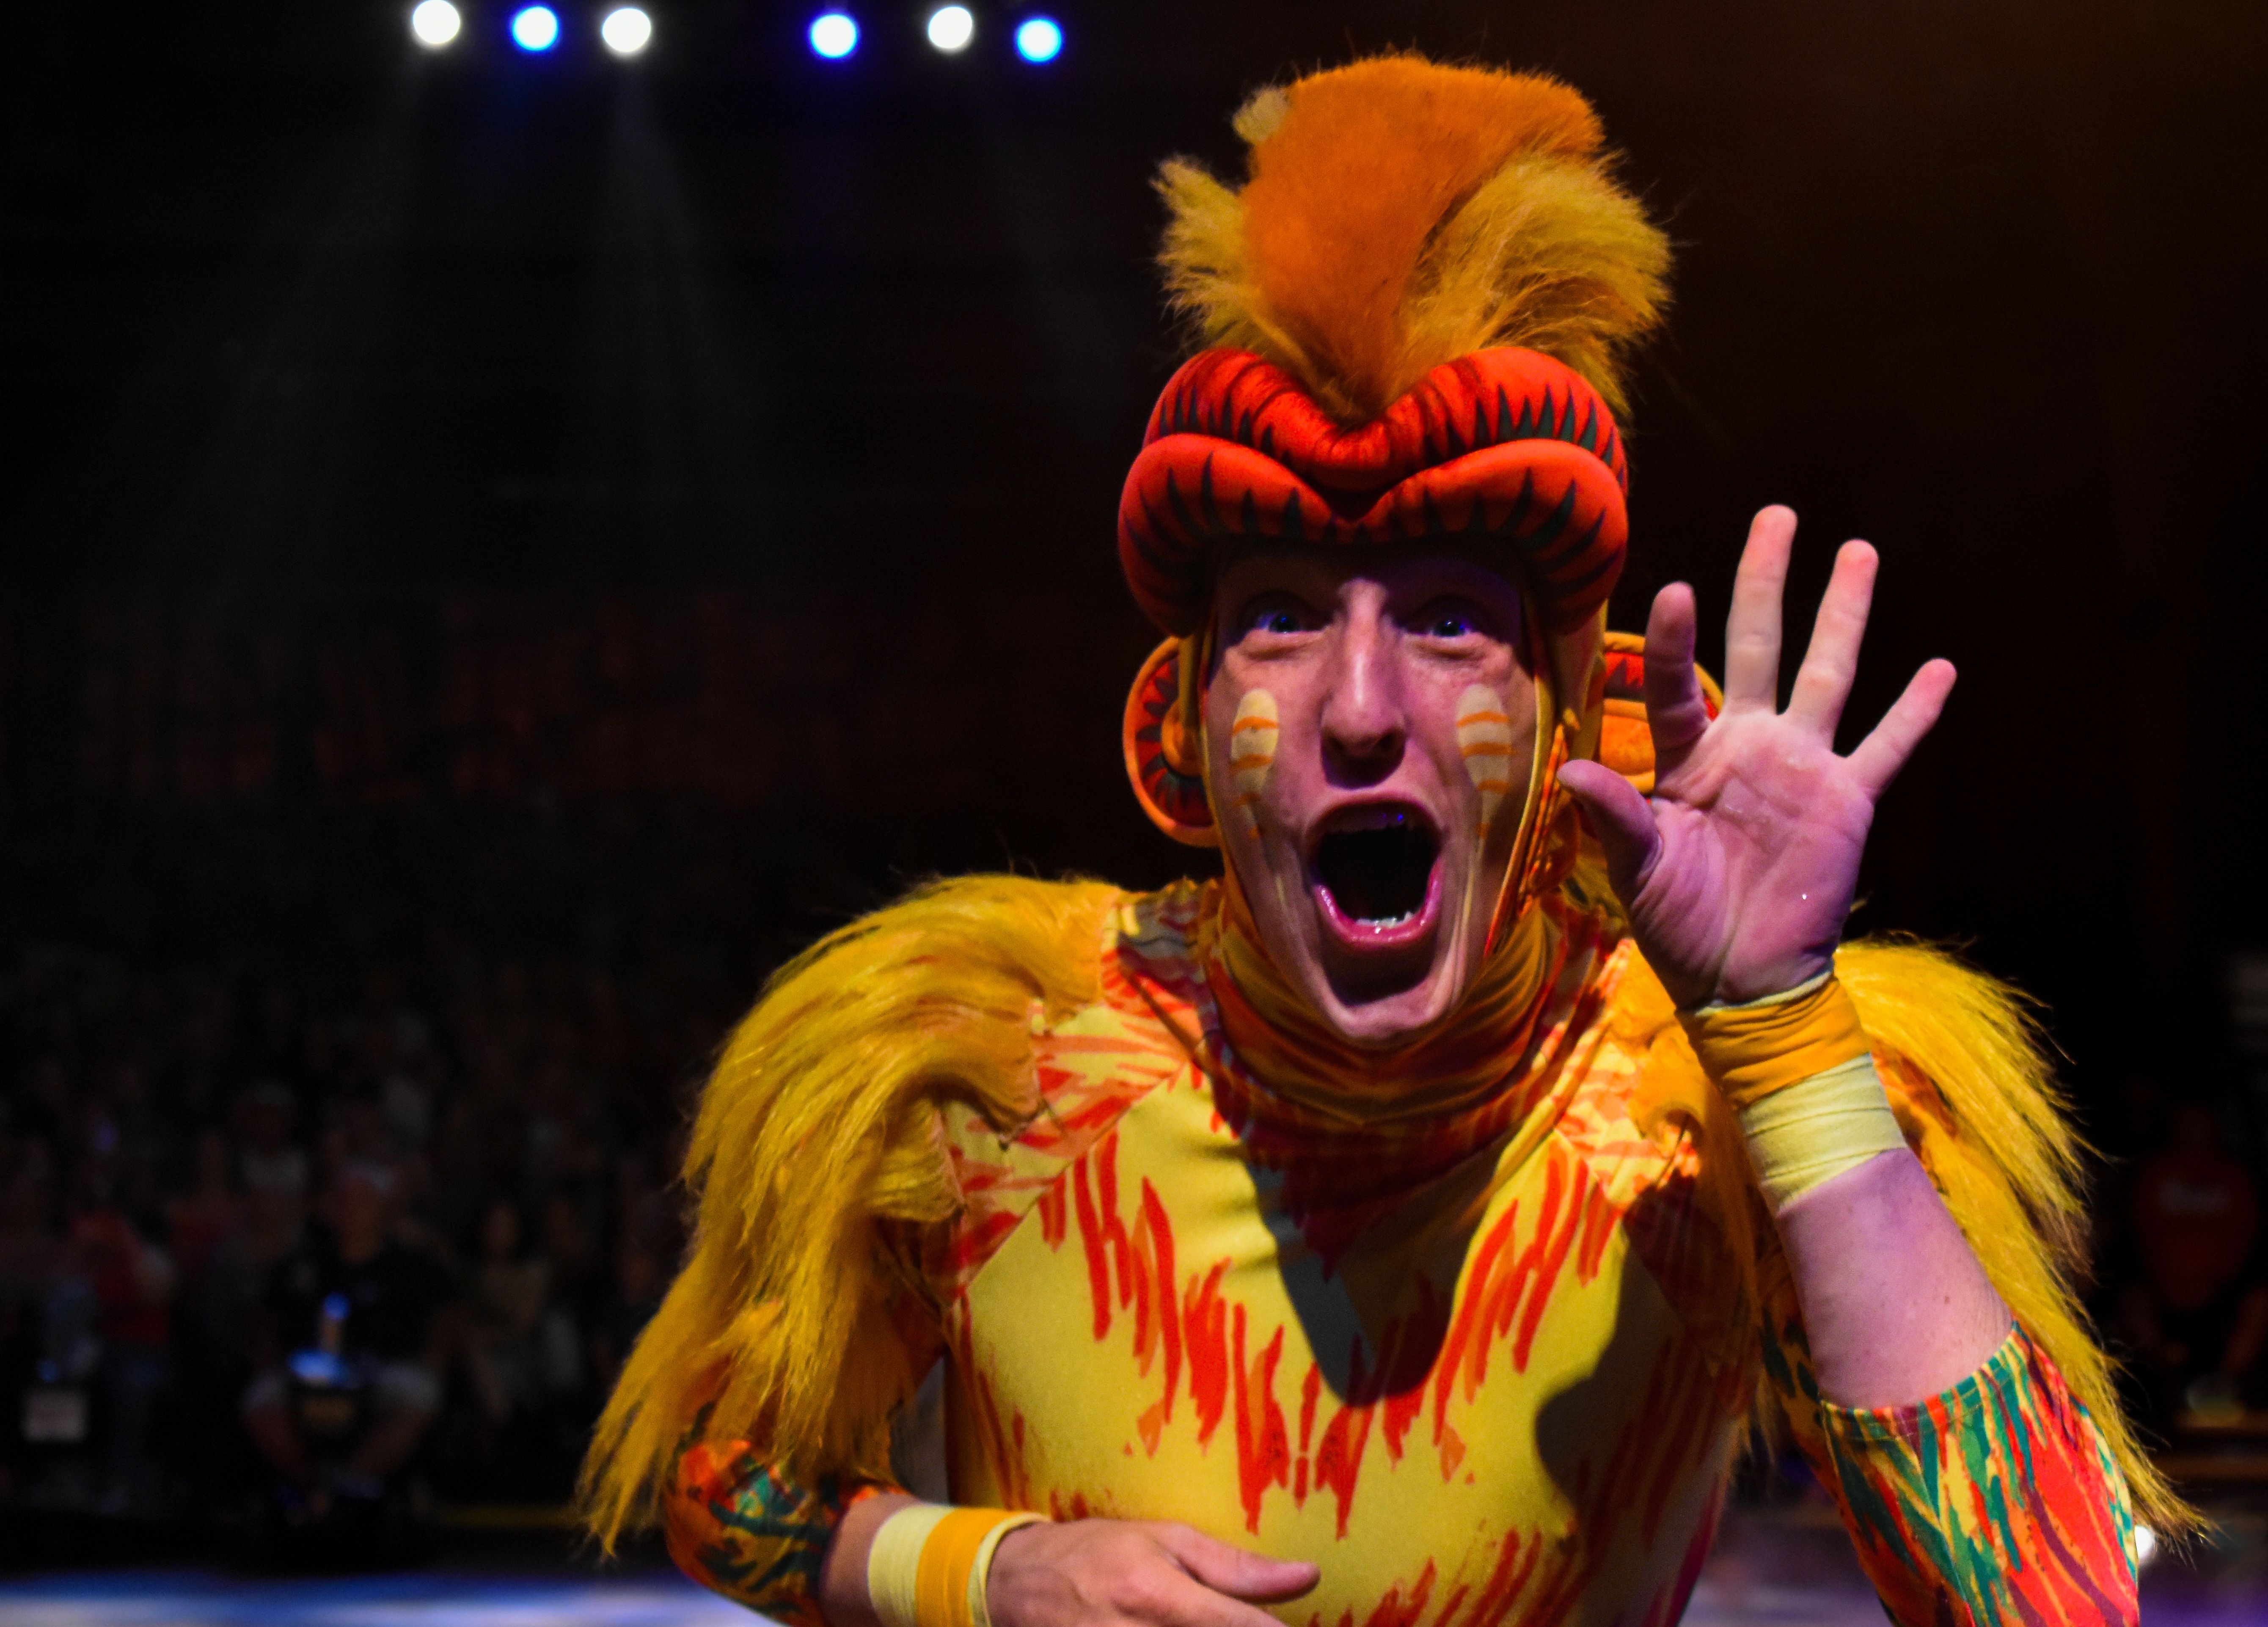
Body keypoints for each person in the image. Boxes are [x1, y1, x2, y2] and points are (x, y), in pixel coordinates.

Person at [580, 55, 2177, 1627]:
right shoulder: (982, 1064)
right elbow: (724, 1476)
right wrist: (990, 1571)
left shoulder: (1699, 1112)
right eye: (1279, 616)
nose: (1356, 703)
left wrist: (1778, 1025)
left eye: (1446, 618)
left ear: (1570, 726)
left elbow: (2054, 1604)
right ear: (1183, 725)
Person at [242, 1162, 446, 1507]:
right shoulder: (307, 1263)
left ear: (381, 1208)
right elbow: (271, 1317)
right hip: (310, 1372)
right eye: (345, 1200)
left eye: (363, 1200)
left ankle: (352, 1479)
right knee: (259, 1400)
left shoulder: (406, 1266)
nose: (352, 1209)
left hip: (384, 1369)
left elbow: (441, 1320)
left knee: (420, 1398)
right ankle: (312, 1481)